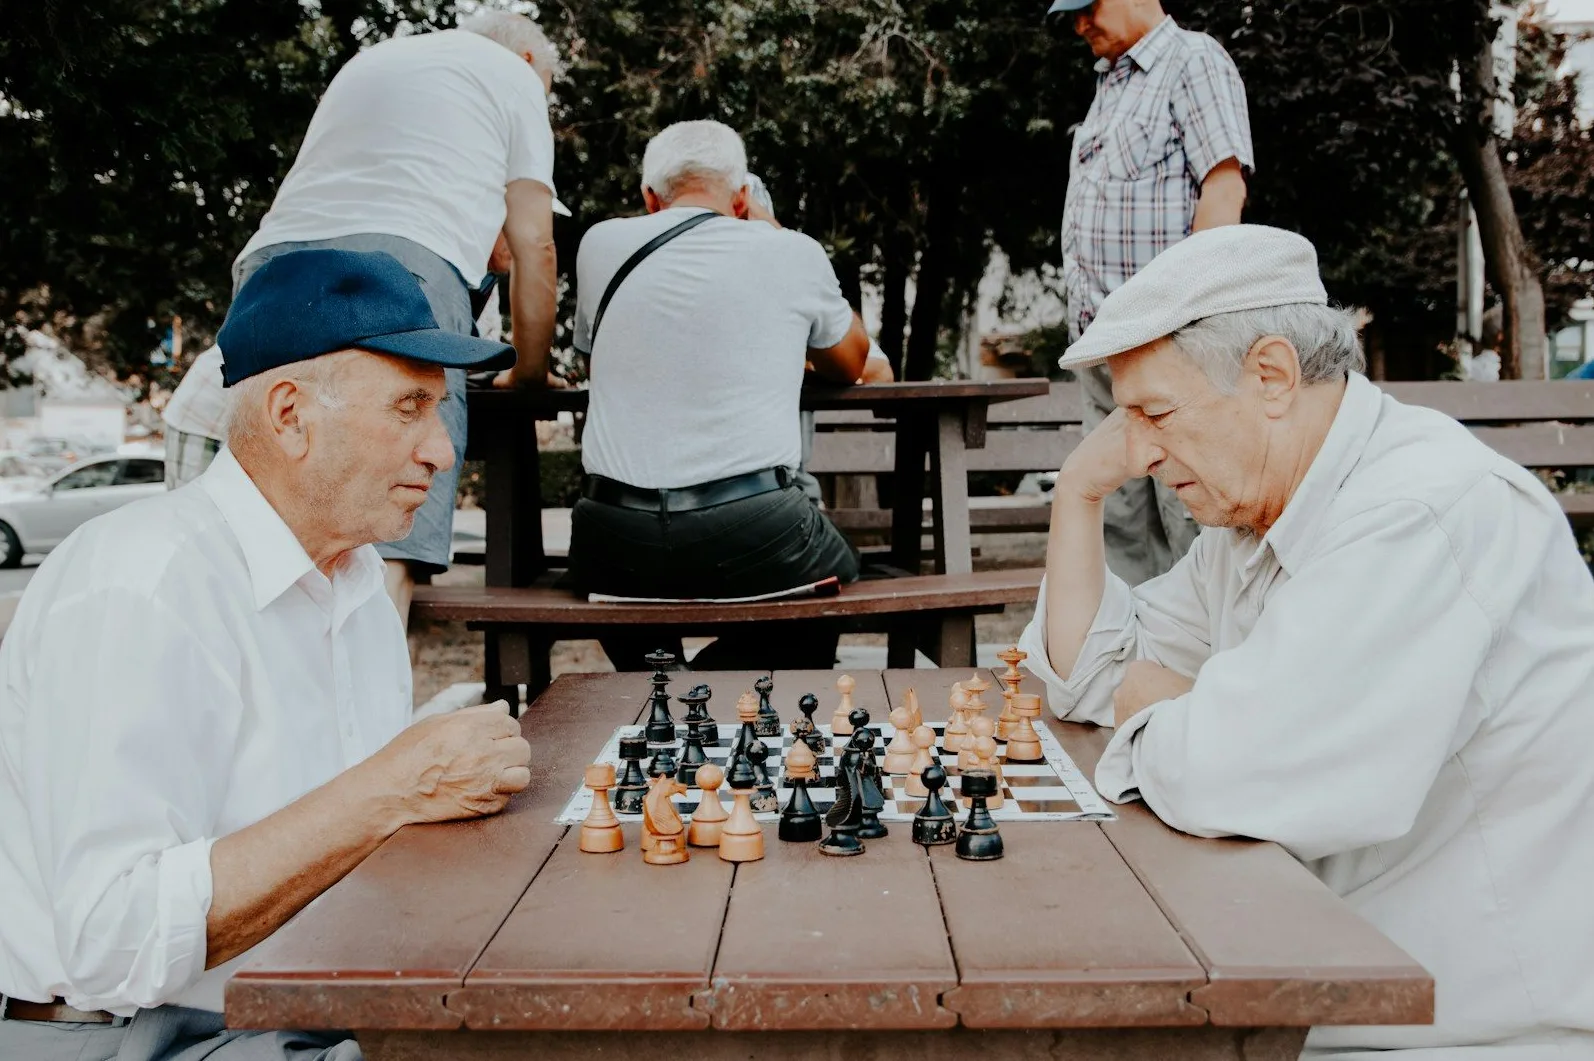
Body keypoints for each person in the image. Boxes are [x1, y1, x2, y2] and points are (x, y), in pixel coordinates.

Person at [1019, 225, 1594, 1058]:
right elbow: (1092, 680)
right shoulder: (1253, 516)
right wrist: (1077, 491)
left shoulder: (1419, 513)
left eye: (1157, 412)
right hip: (1323, 982)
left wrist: (1180, 708)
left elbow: (1232, 772)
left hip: (1468, 1026)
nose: (1138, 451)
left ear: (1272, 376)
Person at [0, 249, 533, 1059]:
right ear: (290, 415)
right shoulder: (142, 586)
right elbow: (111, 942)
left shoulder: (354, 584)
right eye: (408, 407)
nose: (441, 449)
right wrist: (390, 790)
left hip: (298, 1011)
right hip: (128, 1036)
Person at [161, 9, 563, 627]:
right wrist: (530, 375)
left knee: (270, 513)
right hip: (405, 263)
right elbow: (534, 243)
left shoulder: (379, 58)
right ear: (531, 63)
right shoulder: (514, 76)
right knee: (393, 506)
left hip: (273, 261)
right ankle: (370, 714)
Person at [567, 119, 872, 671]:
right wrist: (773, 230)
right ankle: (707, 684)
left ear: (648, 198)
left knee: (612, 573)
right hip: (753, 525)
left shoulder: (598, 244)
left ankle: (657, 675)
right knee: (838, 575)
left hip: (611, 535)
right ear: (741, 198)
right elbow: (850, 362)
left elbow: (597, 353)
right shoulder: (789, 250)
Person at [1049, 0, 1254, 585]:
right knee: (1118, 518)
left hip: (1166, 341)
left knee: (1187, 511)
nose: (1078, 24)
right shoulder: (1110, 83)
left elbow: (1223, 189)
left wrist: (1186, 319)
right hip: (1100, 345)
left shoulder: (1193, 60)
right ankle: (1132, 665)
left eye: (1086, 7)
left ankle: (1201, 666)